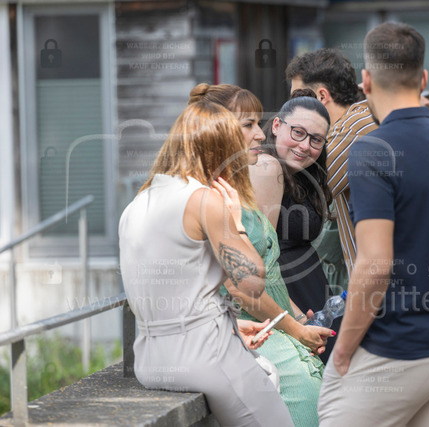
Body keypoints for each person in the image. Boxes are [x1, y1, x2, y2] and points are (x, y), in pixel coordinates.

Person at [318, 22, 429, 426]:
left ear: (366, 81)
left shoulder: (372, 151)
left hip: (396, 350)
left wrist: (343, 350)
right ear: (424, 79)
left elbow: (375, 265)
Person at [119, 101, 294, 426]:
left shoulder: (137, 204)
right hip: (205, 358)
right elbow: (253, 283)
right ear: (220, 150)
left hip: (149, 360)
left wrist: (232, 327)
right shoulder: (203, 199)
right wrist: (236, 222)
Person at [187, 84, 330, 426]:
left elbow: (264, 266)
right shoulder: (261, 171)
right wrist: (294, 325)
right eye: (249, 124)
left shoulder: (247, 182)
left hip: (278, 321)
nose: (260, 133)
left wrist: (297, 319)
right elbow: (243, 281)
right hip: (261, 328)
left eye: (316, 139)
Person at [256, 96, 336, 363]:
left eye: (316, 140)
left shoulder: (303, 174)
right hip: (290, 302)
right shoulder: (267, 168)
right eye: (298, 132)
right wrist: (296, 317)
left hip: (312, 297)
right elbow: (263, 256)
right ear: (277, 125)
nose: (305, 145)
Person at [285, 48, 377, 277]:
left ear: (321, 97)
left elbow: (295, 195)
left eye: (297, 98)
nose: (291, 108)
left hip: (378, 283)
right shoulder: (366, 117)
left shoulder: (351, 129)